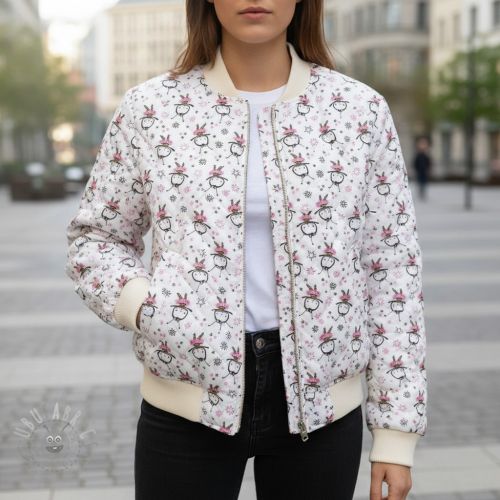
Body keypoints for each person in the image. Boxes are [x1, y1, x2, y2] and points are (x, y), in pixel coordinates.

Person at [64, 1, 428, 499]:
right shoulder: (151, 109)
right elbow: (96, 237)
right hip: (186, 400)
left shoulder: (358, 110)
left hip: (322, 408)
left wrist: (395, 433)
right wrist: (149, 309)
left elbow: (390, 268)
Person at [413, 136, 433, 200]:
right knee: (420, 183)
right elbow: (415, 163)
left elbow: (429, 163)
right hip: (419, 171)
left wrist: (428, 170)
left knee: (424, 183)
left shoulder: (426, 155)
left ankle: (423, 193)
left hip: (424, 172)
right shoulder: (418, 155)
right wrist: (416, 169)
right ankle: (421, 192)